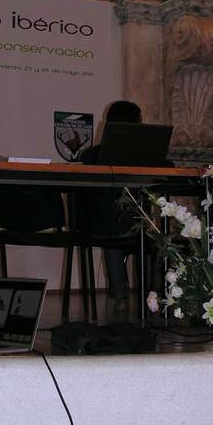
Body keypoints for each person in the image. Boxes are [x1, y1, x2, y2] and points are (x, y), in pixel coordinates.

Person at [76, 101, 145, 315]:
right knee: (125, 227)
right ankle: (152, 293)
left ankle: (120, 293)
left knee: (115, 226)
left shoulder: (89, 156)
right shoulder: (145, 154)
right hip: (123, 225)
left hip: (96, 224)